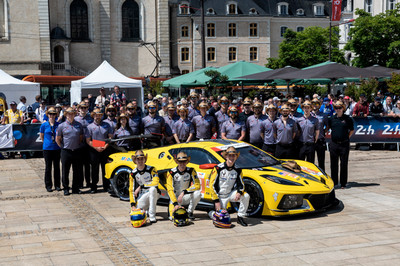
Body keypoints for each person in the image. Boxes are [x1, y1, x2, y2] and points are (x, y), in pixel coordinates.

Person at [209, 146, 250, 227]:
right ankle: (211, 213)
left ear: (236, 157)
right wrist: (216, 201)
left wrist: (239, 192)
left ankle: (240, 217)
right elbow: (212, 185)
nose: (231, 157)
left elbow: (241, 184)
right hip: (219, 196)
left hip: (230, 194)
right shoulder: (218, 168)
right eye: (230, 155)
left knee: (246, 196)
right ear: (226, 156)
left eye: (233, 155)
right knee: (222, 217)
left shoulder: (238, 170)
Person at [56, 107, 84, 196]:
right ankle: (66, 188)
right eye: (69, 114)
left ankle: (75, 188)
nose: (70, 115)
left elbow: (80, 137)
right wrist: (62, 147)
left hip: (76, 150)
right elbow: (58, 139)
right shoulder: (61, 126)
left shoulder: (79, 125)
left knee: (76, 170)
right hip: (66, 151)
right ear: (66, 115)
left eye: (72, 113)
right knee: (65, 170)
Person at [166, 151, 201, 220]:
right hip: (175, 198)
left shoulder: (191, 170)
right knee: (172, 217)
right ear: (177, 162)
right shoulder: (171, 172)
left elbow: (197, 185)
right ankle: (176, 207)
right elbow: (169, 189)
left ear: (187, 162)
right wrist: (175, 203)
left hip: (185, 195)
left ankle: (190, 212)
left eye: (184, 161)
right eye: (180, 162)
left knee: (198, 193)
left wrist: (184, 192)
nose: (182, 164)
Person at [328, 100, 354, 189]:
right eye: (336, 108)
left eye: (339, 108)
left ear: (343, 108)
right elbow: (328, 128)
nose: (338, 109)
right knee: (333, 164)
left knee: (344, 164)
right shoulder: (332, 119)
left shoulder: (348, 119)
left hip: (344, 144)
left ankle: (343, 183)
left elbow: (351, 130)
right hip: (334, 144)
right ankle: (334, 182)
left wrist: (346, 138)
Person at [86, 108, 113, 193]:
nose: (97, 117)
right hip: (94, 149)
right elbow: (88, 140)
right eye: (96, 115)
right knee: (94, 169)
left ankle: (106, 186)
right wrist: (96, 147)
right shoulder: (89, 126)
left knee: (105, 168)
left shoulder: (107, 125)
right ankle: (94, 186)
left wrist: (105, 146)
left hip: (105, 148)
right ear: (93, 115)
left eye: (99, 115)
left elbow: (110, 137)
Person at [129, 150, 160, 223]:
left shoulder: (152, 169)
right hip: (143, 194)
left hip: (154, 192)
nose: (140, 161)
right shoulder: (133, 173)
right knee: (136, 211)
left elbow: (156, 183)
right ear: (135, 161)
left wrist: (141, 186)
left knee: (152, 189)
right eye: (138, 159)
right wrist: (132, 205)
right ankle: (146, 210)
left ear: (144, 159)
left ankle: (152, 216)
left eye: (142, 159)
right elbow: (131, 189)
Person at [40, 107, 61, 192]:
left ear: (56, 115)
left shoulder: (58, 125)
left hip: (56, 148)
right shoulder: (44, 125)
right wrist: (46, 143)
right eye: (50, 114)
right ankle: (48, 185)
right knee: (48, 167)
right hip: (47, 148)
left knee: (57, 167)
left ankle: (57, 185)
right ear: (48, 115)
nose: (52, 116)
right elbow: (42, 136)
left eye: (53, 114)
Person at [74, 101, 93, 189]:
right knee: (79, 164)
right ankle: (80, 183)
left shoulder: (90, 118)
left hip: (89, 143)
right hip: (80, 143)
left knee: (88, 164)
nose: (83, 109)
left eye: (85, 108)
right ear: (79, 109)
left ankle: (88, 182)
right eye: (81, 108)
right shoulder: (76, 119)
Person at [312, 98, 328, 171]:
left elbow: (327, 125)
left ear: (319, 105)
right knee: (310, 162)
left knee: (321, 162)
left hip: (320, 140)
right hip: (311, 141)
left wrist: (323, 132)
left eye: (317, 104)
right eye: (313, 104)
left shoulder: (323, 115)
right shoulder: (308, 114)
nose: (315, 105)